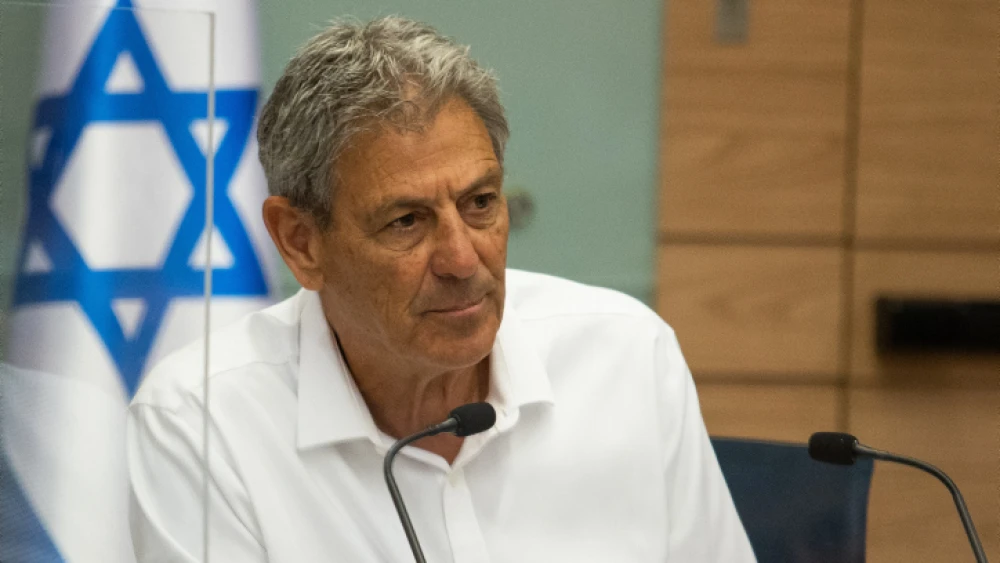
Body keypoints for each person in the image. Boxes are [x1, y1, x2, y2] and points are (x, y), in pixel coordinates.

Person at [126, 16, 756, 563]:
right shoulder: (203, 423)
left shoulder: (626, 359)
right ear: (300, 241)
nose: (462, 259)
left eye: (480, 203)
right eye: (406, 221)